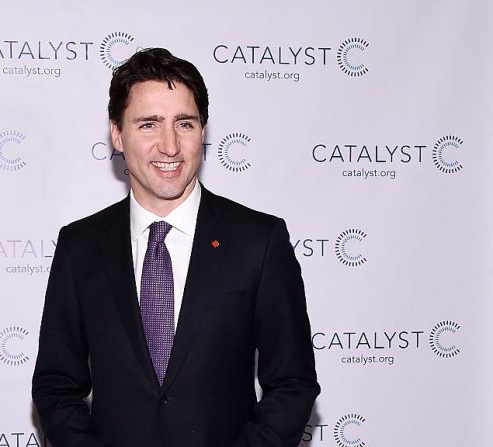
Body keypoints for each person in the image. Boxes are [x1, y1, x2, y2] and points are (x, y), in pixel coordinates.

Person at [32, 48, 319, 447]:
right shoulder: (80, 247)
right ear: (117, 134)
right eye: (148, 125)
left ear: (202, 130)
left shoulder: (259, 241)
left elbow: (293, 383)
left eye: (184, 123)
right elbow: (56, 385)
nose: (169, 146)